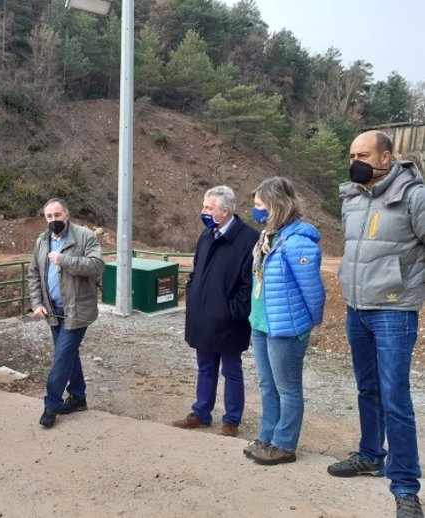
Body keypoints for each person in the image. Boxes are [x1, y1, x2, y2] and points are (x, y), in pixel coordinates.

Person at [328, 130, 425, 518]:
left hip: (394, 311)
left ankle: (405, 487)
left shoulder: (414, 196)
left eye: (363, 154)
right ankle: (370, 454)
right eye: (352, 154)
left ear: (386, 157)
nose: (356, 160)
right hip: (357, 309)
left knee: (395, 398)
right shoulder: (351, 198)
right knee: (367, 388)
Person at [245, 176, 325, 466]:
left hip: (286, 329)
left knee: (288, 389)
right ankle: (267, 437)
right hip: (263, 324)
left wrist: (307, 324)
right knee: (267, 384)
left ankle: (284, 444)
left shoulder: (298, 242)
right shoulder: (269, 237)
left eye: (259, 205)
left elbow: (313, 291)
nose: (255, 210)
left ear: (276, 205)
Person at [172, 185, 259, 437]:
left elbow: (248, 284)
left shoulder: (248, 239)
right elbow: (196, 271)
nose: (203, 211)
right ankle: (201, 413)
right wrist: (193, 294)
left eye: (208, 208)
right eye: (204, 206)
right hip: (202, 318)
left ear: (225, 211)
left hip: (230, 321)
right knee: (205, 368)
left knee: (232, 371)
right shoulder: (207, 235)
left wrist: (232, 312)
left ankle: (231, 420)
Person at [28, 198, 105, 429]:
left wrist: (65, 261)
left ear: (67, 215)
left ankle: (51, 405)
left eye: (57, 215)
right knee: (69, 354)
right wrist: (36, 303)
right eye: (49, 216)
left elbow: (97, 265)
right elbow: (33, 274)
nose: (53, 220)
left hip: (78, 310)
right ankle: (78, 397)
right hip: (53, 310)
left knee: (62, 356)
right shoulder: (42, 240)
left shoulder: (85, 236)